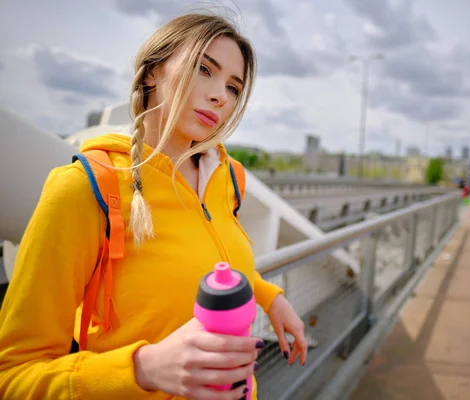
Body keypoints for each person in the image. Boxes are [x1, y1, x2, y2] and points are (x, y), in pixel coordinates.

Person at [0, 12, 307, 400]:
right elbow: (13, 375)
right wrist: (143, 369)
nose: (219, 96)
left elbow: (211, 260)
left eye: (233, 87)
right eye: (203, 69)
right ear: (152, 73)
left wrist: (268, 297)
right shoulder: (84, 189)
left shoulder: (228, 177)